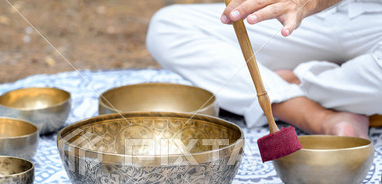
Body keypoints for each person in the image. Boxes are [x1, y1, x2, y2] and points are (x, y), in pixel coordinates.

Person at [146, 0, 382, 138]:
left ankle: (294, 81)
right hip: (303, 18)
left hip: (372, 21)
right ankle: (318, 116)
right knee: (168, 26)